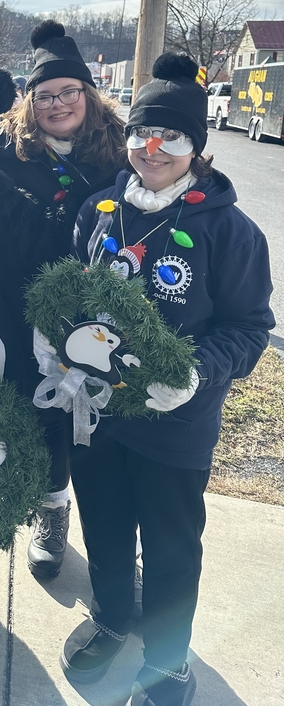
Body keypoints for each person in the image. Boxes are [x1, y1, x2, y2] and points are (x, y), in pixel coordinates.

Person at [59, 53, 273, 706]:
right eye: (141, 134)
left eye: (171, 137)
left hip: (176, 427)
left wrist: (196, 372)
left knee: (172, 551)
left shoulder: (230, 231)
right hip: (97, 416)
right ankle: (114, 619)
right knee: (104, 529)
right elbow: (71, 291)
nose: (152, 149)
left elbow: (249, 327)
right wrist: (61, 349)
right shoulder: (100, 210)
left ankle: (168, 663)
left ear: (196, 147)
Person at [0, 20, 127, 580]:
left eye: (68, 92)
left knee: (104, 418)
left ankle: (115, 540)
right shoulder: (7, 154)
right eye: (44, 95)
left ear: (89, 94)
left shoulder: (123, 153)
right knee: (42, 409)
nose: (56, 104)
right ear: (29, 102)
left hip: (102, 307)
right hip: (22, 302)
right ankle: (52, 509)